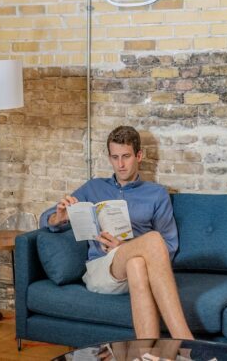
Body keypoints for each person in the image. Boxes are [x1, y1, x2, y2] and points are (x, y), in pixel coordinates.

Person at [41, 126, 193, 340]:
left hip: (137, 271)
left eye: (126, 157)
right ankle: (187, 344)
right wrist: (60, 216)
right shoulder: (93, 187)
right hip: (101, 269)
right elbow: (45, 221)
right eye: (115, 157)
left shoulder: (156, 194)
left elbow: (169, 246)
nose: (120, 164)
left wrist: (124, 249)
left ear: (138, 156)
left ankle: (146, 354)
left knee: (137, 262)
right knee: (152, 239)